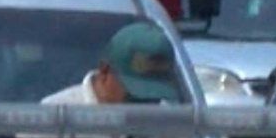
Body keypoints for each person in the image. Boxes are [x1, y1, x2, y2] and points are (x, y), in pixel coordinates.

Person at [45, 22, 181, 105]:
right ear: (104, 71)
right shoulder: (53, 118)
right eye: (134, 95)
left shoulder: (170, 126)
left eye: (155, 97)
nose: (145, 103)